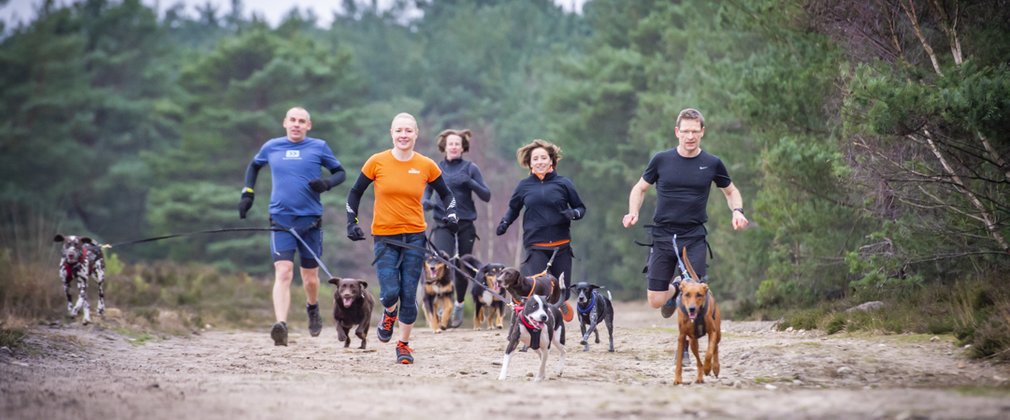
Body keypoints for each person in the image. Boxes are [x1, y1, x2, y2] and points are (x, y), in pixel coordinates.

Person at [345, 112, 458, 365]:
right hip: (385, 237)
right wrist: (351, 222)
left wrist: (451, 214)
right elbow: (354, 193)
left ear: (416, 134)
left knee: (409, 295)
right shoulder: (377, 162)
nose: (403, 135)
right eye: (399, 131)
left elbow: (447, 195)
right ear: (392, 133)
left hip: (414, 237)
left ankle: (403, 345)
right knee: (390, 293)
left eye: (408, 131)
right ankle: (388, 313)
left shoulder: (426, 165)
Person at [621, 108, 749, 319]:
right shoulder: (661, 160)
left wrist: (737, 211)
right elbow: (640, 188)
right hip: (662, 235)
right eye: (686, 131)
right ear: (677, 132)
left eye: (694, 131)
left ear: (702, 132)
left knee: (695, 293)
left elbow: (731, 191)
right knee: (655, 300)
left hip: (693, 236)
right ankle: (674, 290)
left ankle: (688, 346)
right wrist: (632, 212)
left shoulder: (712, 163)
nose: (690, 136)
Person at [238, 107, 346, 346]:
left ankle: (312, 307)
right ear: (285, 123)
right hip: (280, 219)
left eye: (301, 121)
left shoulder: (318, 147)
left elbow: (340, 173)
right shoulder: (272, 147)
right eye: (293, 120)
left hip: (310, 221)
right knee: (284, 272)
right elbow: (254, 166)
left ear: (309, 125)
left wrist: (326, 183)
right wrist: (248, 193)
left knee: (309, 278)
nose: (296, 124)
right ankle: (281, 325)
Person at [495, 139, 586, 320]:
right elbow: (513, 209)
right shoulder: (524, 186)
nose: (540, 162)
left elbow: (581, 208)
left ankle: (558, 306)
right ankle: (533, 326)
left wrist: (573, 213)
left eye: (543, 158)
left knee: (562, 291)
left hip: (561, 245)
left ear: (551, 160)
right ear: (529, 163)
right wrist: (505, 223)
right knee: (534, 291)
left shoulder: (564, 183)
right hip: (535, 245)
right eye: (535, 158)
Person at [422, 129, 491, 328]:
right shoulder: (436, 168)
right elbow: (426, 193)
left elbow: (486, 195)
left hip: (465, 224)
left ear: (463, 147)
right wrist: (426, 202)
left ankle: (459, 304)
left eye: (457, 144)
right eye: (450, 143)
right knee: (443, 262)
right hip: (443, 223)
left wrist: (469, 182)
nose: (453, 146)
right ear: (444, 146)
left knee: (462, 266)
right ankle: (443, 306)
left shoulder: (471, 168)